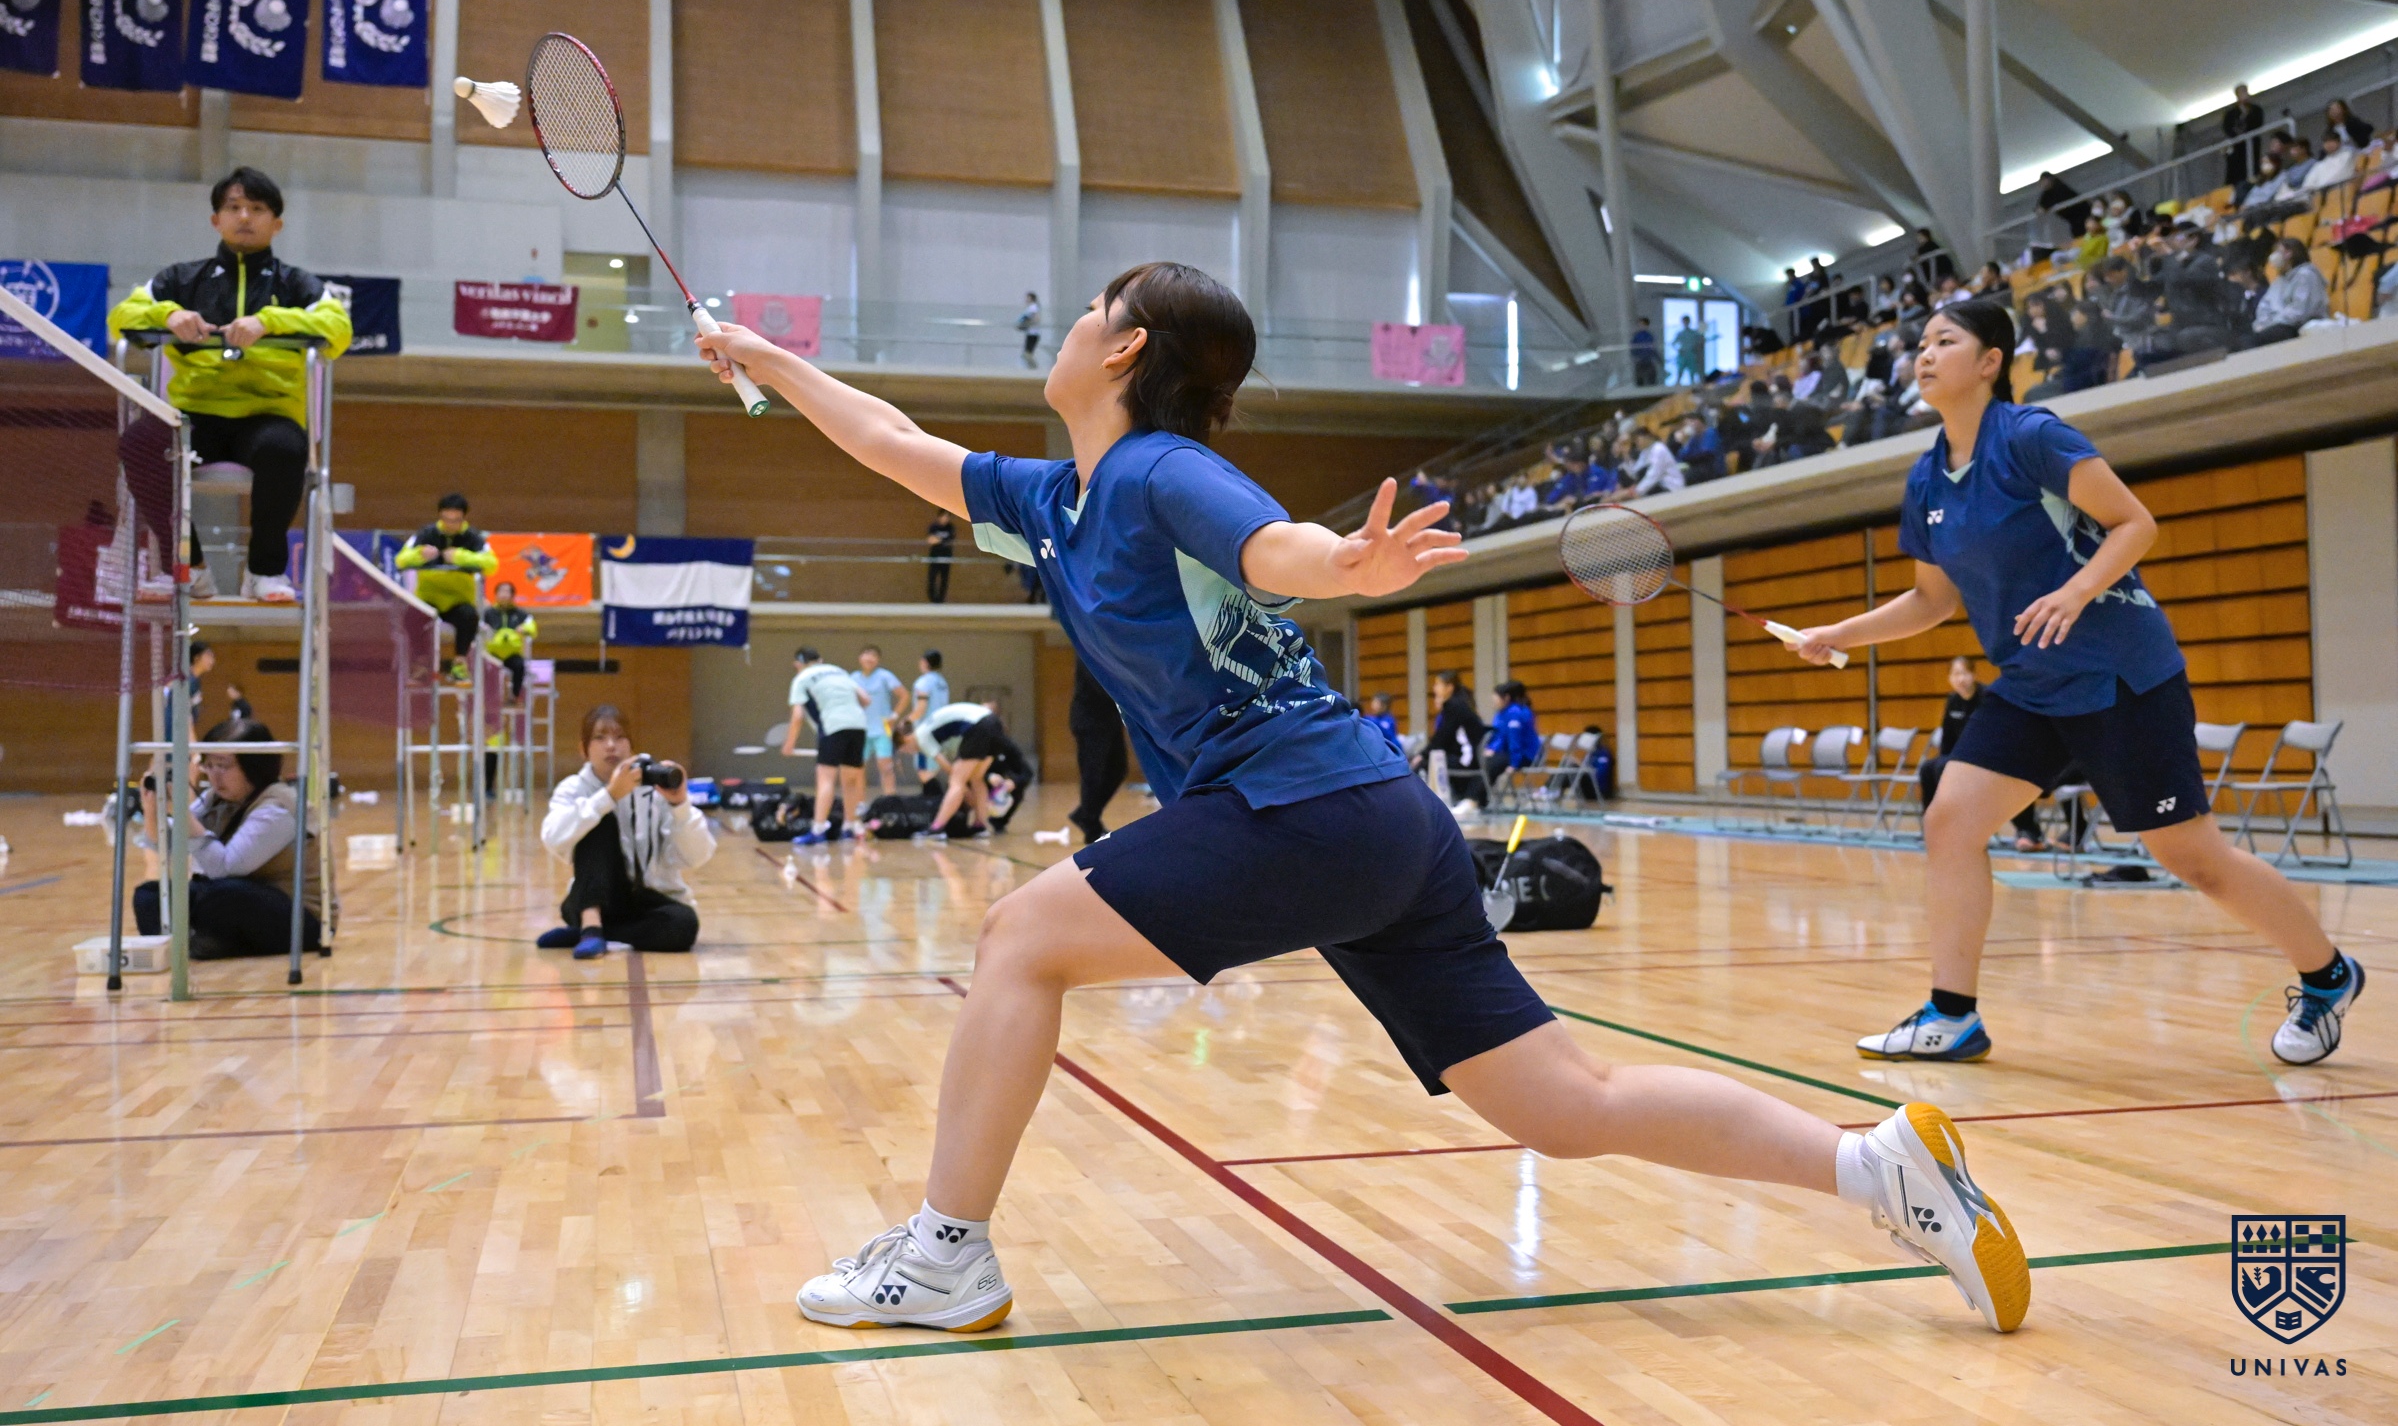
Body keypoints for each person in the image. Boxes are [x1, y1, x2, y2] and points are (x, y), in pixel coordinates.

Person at [697, 258, 2031, 1339]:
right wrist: (766, 361)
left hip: (1304, 807)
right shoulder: (1054, 498)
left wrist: (1344, 564)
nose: (1070, 324)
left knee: (1018, 937)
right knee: (1564, 1104)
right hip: (1375, 818)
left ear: (1125, 348)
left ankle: (945, 1253)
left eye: (1093, 308)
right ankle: (1875, 1166)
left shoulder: (1158, 468)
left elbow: (1268, 542)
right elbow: (890, 441)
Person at [1786, 300, 2364, 1070]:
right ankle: (1952, 1015)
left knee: (2191, 856)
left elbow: (2135, 523)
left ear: (1989, 361)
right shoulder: (1928, 478)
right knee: (1951, 821)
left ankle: (2328, 975)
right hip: (2031, 682)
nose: (1923, 355)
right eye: (1919, 344)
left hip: (2119, 672)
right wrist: (1839, 634)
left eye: (1944, 341)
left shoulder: (2030, 437)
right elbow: (1932, 600)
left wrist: (2076, 591)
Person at [108, 166, 354, 603]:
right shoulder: (180, 280)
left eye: (256, 209)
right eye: (234, 207)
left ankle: (264, 572)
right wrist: (168, 315)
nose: (244, 217)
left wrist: (269, 321)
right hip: (193, 417)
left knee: (285, 448)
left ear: (276, 224)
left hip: (267, 416)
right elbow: (120, 318)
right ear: (215, 220)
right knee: (141, 443)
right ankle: (188, 567)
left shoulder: (297, 284)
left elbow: (338, 329)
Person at [130, 715, 320, 958]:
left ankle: (206, 942)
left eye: (223, 766)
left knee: (222, 894)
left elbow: (224, 868)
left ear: (254, 766)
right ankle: (189, 946)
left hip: (298, 916)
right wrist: (151, 810)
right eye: (208, 765)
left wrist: (182, 812)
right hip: (239, 897)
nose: (214, 775)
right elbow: (167, 845)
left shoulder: (278, 808)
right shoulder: (217, 798)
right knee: (150, 895)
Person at [537, 704, 707, 957]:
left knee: (684, 925)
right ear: (584, 749)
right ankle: (591, 924)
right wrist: (607, 797)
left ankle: (592, 933)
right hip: (592, 899)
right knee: (598, 819)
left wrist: (680, 805)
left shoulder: (655, 789)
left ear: (631, 747)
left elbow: (697, 856)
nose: (611, 746)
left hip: (648, 900)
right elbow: (552, 837)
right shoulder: (574, 788)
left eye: (619, 737)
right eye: (600, 738)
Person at [1919, 657, 2045, 849]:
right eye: (1955, 674)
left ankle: (2027, 830)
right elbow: (1947, 740)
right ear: (1949, 678)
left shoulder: (1987, 698)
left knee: (2011, 773)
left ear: (1973, 674)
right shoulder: (1953, 701)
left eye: (1964, 673)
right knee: (1929, 769)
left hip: (1991, 755)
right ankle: (1934, 828)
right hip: (1962, 758)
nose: (1960, 679)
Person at [395, 494, 497, 682]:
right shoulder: (425, 534)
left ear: (463, 517)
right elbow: (401, 560)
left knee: (469, 617)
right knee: (411, 617)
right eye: (446, 519)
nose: (450, 524)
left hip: (458, 601)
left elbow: (491, 565)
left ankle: (459, 663)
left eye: (456, 520)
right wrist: (420, 554)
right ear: (440, 516)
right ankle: (421, 662)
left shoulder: (474, 538)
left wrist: (460, 557)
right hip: (428, 599)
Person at [909, 700, 1031, 835]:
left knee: (956, 782)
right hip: (993, 727)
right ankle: (980, 826)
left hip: (980, 728)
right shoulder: (990, 721)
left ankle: (937, 828)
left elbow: (947, 767)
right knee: (977, 779)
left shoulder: (922, 734)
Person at [786, 647, 868, 845]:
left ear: (798, 664)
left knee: (826, 779)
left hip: (833, 727)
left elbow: (797, 716)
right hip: (858, 725)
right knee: (850, 781)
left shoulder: (801, 678)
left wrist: (789, 744)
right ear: (820, 660)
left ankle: (818, 830)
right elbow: (866, 699)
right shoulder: (839, 671)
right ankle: (849, 827)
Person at [1067, 660, 1130, 843]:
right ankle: (1091, 827)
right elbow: (1101, 685)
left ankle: (1085, 814)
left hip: (1110, 721)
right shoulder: (1088, 651)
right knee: (1092, 775)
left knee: (1119, 769)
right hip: (1090, 722)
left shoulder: (1109, 651)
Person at [1417, 669, 1487, 803]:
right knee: (1429, 759)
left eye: (1438, 684)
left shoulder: (1454, 706)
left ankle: (1428, 803)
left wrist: (1422, 755)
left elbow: (1442, 738)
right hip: (1464, 756)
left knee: (1423, 763)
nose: (1434, 688)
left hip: (1467, 759)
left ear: (1449, 687)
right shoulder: (1458, 704)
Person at [2246, 237, 2327, 345]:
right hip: (2277, 326)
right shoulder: (2278, 282)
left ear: (2289, 253)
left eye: (2277, 251)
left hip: (2298, 325)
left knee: (2256, 341)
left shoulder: (2306, 275)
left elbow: (2300, 311)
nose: (2273, 256)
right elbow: (2265, 307)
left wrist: (2272, 323)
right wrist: (2261, 325)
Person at [853, 645, 907, 796]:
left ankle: (890, 802)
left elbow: (904, 696)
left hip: (883, 729)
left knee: (886, 768)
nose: (870, 658)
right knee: (858, 769)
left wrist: (894, 716)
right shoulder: (853, 678)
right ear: (860, 658)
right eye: (866, 654)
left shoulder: (885, 676)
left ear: (878, 660)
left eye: (874, 656)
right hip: (861, 730)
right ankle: (859, 804)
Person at [1480, 679, 1541, 797]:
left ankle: (1480, 798)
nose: (1494, 703)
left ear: (1506, 698)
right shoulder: (1501, 713)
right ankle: (1480, 797)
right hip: (1510, 753)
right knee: (1484, 761)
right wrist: (1491, 749)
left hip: (1525, 756)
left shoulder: (1515, 713)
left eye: (1496, 699)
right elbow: (1500, 736)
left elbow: (1515, 741)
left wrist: (1514, 764)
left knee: (1491, 764)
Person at [483, 581, 538, 701]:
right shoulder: (488, 613)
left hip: (512, 654)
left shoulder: (521, 614)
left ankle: (514, 696)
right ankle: (489, 699)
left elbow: (532, 627)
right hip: (492, 654)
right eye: (501, 591)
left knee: (520, 666)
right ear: (496, 595)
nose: (504, 594)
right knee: (483, 668)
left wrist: (524, 629)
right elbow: (479, 627)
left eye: (507, 592)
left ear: (512, 595)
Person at [2221, 86, 2266, 188]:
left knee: (2252, 164)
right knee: (2237, 168)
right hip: (2237, 148)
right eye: (2241, 93)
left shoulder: (2255, 109)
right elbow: (2227, 128)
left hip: (2252, 144)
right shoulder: (2230, 114)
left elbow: (2258, 124)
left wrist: (2247, 114)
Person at [911, 650, 951, 735]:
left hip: (925, 729)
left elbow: (921, 709)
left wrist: (906, 721)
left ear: (925, 662)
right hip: (941, 726)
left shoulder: (923, 682)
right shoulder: (943, 682)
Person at [925, 509, 957, 603]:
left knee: (944, 579)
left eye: (947, 517)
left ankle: (941, 599)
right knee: (932, 578)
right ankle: (933, 599)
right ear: (939, 517)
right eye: (944, 516)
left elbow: (950, 540)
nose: (945, 519)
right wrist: (943, 540)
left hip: (946, 556)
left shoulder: (950, 527)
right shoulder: (934, 527)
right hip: (934, 556)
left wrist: (939, 540)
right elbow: (930, 540)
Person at [1671, 314, 1706, 384]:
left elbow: (1701, 341)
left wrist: (1696, 348)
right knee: (1680, 370)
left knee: (1692, 370)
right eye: (1684, 321)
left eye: (1687, 321)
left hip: (1691, 354)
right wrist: (1678, 349)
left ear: (1689, 322)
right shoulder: (1680, 333)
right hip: (1683, 354)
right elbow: (1673, 343)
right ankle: (1677, 384)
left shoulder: (1694, 333)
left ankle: (1692, 384)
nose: (1685, 323)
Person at [1628, 316, 1660, 386]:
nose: (1641, 326)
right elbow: (1633, 347)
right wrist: (1636, 356)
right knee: (1639, 379)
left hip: (1648, 360)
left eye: (1643, 324)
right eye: (1640, 324)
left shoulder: (1649, 336)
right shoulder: (1636, 336)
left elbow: (1653, 348)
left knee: (1652, 378)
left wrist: (1658, 358)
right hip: (1640, 360)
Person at [1017, 291, 1042, 369]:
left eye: (1028, 297)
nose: (1026, 299)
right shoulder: (1031, 307)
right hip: (1030, 332)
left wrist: (1027, 323)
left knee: (1028, 353)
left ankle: (1034, 367)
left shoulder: (1033, 307)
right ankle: (1031, 367)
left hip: (1033, 333)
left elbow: (1036, 318)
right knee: (1026, 353)